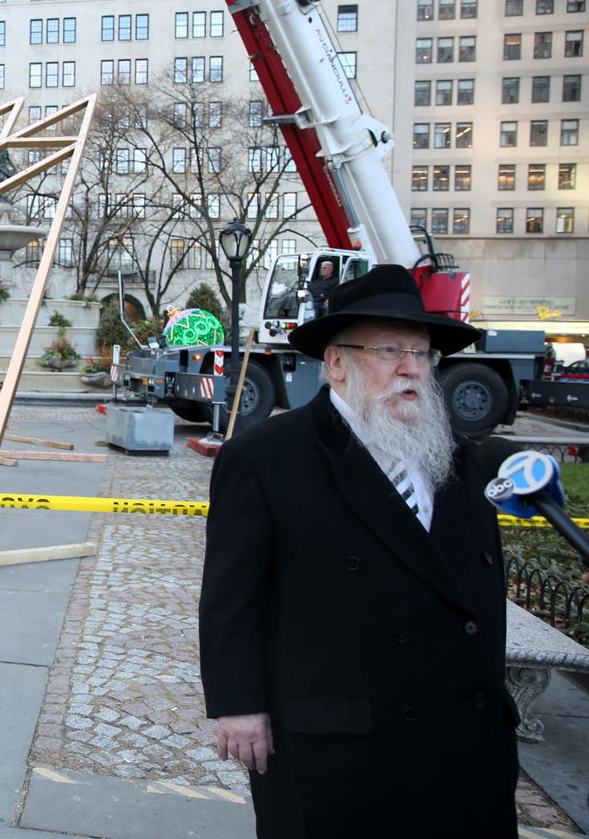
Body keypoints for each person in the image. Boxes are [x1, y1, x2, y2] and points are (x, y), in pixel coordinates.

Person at [199, 264, 517, 838]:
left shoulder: (459, 458)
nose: (411, 369)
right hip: (341, 744)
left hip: (461, 739)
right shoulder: (264, 457)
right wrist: (238, 705)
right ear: (337, 362)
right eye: (390, 350)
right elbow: (231, 597)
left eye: (423, 355)